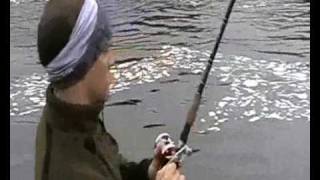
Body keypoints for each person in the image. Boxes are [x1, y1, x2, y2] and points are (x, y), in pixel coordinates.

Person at [35, 0, 186, 180]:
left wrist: (149, 172)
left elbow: (110, 169)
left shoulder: (73, 115)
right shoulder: (70, 171)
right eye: (103, 49)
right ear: (84, 64)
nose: (112, 59)